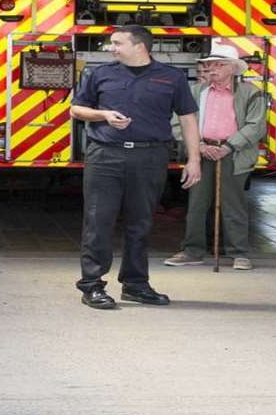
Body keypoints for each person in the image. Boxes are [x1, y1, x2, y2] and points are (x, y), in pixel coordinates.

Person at [71, 26, 201, 310]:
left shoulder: (172, 78)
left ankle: (136, 285)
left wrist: (194, 159)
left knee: (140, 223)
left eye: (117, 43)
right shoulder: (99, 74)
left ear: (139, 46)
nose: (111, 48)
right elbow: (76, 110)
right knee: (98, 221)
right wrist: (103, 114)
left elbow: (188, 118)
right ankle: (92, 286)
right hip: (105, 156)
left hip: (150, 157)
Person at [165, 42, 266, 271]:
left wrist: (229, 146)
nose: (211, 69)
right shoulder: (195, 92)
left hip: (234, 153)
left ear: (232, 68)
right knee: (197, 204)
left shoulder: (251, 92)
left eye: (218, 65)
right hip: (201, 152)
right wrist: (198, 145)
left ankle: (239, 253)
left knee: (234, 204)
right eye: (209, 65)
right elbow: (177, 121)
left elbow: (256, 126)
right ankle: (192, 251)